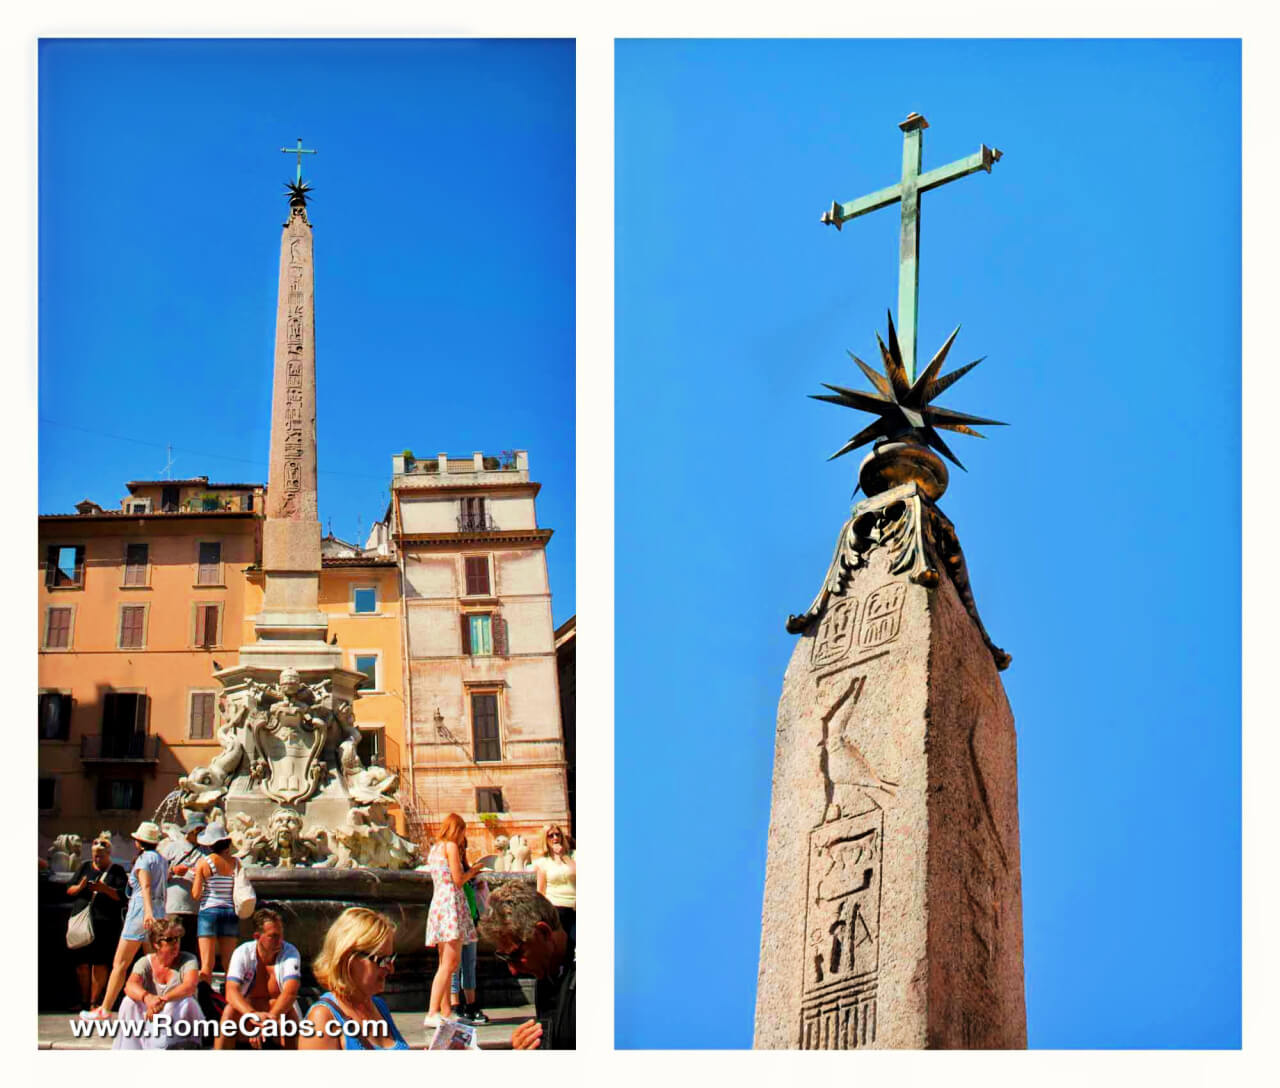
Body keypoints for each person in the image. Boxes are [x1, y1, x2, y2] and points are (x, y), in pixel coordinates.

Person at [81, 820, 168, 1020]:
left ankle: (104, 1008)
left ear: (139, 842)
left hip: (141, 912)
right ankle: (159, 1007)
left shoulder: (144, 859)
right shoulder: (162, 860)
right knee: (156, 964)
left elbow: (145, 887)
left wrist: (147, 912)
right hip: (158, 911)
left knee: (120, 963)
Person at [480, 882, 575, 1050]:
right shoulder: (548, 969)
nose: (513, 970)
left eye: (516, 955)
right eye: (505, 958)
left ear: (544, 932)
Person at [300, 906, 409, 1050]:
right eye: (381, 960)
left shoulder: (379, 1006)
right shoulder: (322, 1019)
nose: (390, 968)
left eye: (391, 959)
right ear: (347, 958)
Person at [423, 813, 485, 1027]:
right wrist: (474, 870)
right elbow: (458, 880)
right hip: (451, 905)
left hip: (439, 904)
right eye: (462, 832)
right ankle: (432, 1012)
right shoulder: (450, 846)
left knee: (444, 963)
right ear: (456, 829)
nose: (462, 838)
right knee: (450, 963)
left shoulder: (434, 849)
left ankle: (446, 1010)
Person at [214, 908, 301, 1049]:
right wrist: (253, 1016)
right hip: (248, 1017)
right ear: (257, 936)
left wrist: (269, 1020)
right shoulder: (242, 952)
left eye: (281, 935)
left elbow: (290, 993)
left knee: (290, 1014)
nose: (280, 940)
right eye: (273, 936)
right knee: (229, 1011)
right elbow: (231, 992)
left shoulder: (290, 952)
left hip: (277, 1018)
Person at [113, 917, 204, 1050]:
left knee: (189, 1003)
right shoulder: (145, 962)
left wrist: (162, 1000)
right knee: (128, 1002)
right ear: (156, 944)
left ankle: (187, 1045)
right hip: (151, 1017)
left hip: (176, 1018)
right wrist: (147, 998)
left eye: (177, 938)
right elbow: (130, 985)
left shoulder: (188, 959)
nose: (176, 943)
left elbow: (189, 986)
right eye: (170, 940)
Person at [66, 835, 127, 1010]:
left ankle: (94, 1002)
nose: (97, 859)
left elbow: (123, 897)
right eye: (95, 856)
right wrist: (80, 887)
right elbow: (69, 889)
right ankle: (83, 1001)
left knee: (99, 964)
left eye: (100, 856)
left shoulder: (117, 870)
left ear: (108, 854)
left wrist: (105, 889)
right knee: (82, 965)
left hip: (105, 924)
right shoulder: (85, 866)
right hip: (83, 922)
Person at [189, 820, 241, 985]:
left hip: (209, 911)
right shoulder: (236, 862)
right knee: (230, 965)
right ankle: (230, 999)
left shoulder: (205, 862)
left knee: (206, 965)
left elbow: (196, 894)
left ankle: (207, 1001)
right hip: (230, 912)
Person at [451, 835, 490, 1024]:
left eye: (463, 847)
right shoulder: (452, 870)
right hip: (455, 920)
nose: (460, 850)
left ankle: (471, 1004)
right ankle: (455, 1005)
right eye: (458, 846)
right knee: (454, 965)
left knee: (469, 964)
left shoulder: (466, 870)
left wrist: (478, 882)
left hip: (471, 919)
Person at [157, 814, 206, 959]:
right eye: (197, 830)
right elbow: (156, 875)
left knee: (191, 952)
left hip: (196, 910)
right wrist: (173, 870)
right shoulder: (172, 848)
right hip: (173, 908)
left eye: (202, 831)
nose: (199, 834)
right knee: (170, 948)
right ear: (190, 830)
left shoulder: (207, 851)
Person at [532, 824, 576, 937]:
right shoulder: (542, 862)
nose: (555, 838)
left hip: (575, 906)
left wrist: (564, 856)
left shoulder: (574, 856)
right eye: (550, 836)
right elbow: (541, 891)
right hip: (555, 908)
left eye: (558, 834)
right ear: (545, 840)